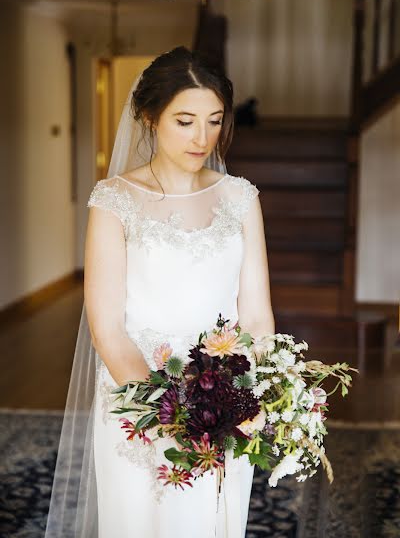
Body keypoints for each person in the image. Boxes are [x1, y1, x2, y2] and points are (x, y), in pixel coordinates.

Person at [44, 46, 274, 538]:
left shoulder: (240, 197)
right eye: (185, 121)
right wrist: (167, 415)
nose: (202, 136)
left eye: (214, 120)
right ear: (150, 117)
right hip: (140, 394)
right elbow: (106, 327)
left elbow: (255, 316)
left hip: (226, 398)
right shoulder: (114, 201)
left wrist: (244, 399)